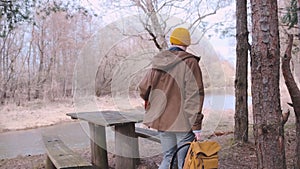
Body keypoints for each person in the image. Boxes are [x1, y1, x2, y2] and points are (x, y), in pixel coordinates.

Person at [138, 27, 205, 169]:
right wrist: (197, 126)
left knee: (168, 158)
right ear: (186, 44)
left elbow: (143, 88)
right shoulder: (190, 63)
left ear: (172, 41)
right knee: (185, 163)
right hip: (183, 123)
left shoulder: (158, 62)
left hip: (162, 120)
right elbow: (194, 96)